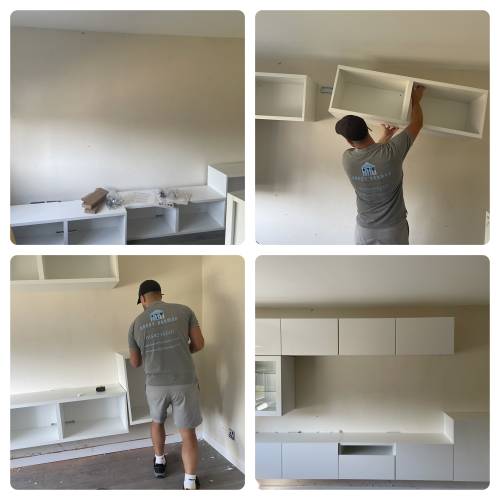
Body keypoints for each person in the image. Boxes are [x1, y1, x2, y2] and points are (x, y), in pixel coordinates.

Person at [128, 279, 205, 490]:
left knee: (157, 421)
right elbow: (199, 344)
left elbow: (135, 362)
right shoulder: (184, 311)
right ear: (160, 294)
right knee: (187, 432)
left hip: (155, 385)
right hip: (184, 383)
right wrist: (182, 350)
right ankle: (190, 482)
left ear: (142, 299)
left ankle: (160, 462)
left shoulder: (135, 324)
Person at [335, 84, 426, 245]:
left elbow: (372, 155)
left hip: (364, 230)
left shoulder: (347, 159)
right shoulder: (391, 153)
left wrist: (386, 136)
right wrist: (415, 99)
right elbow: (417, 123)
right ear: (368, 129)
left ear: (348, 141)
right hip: (393, 229)